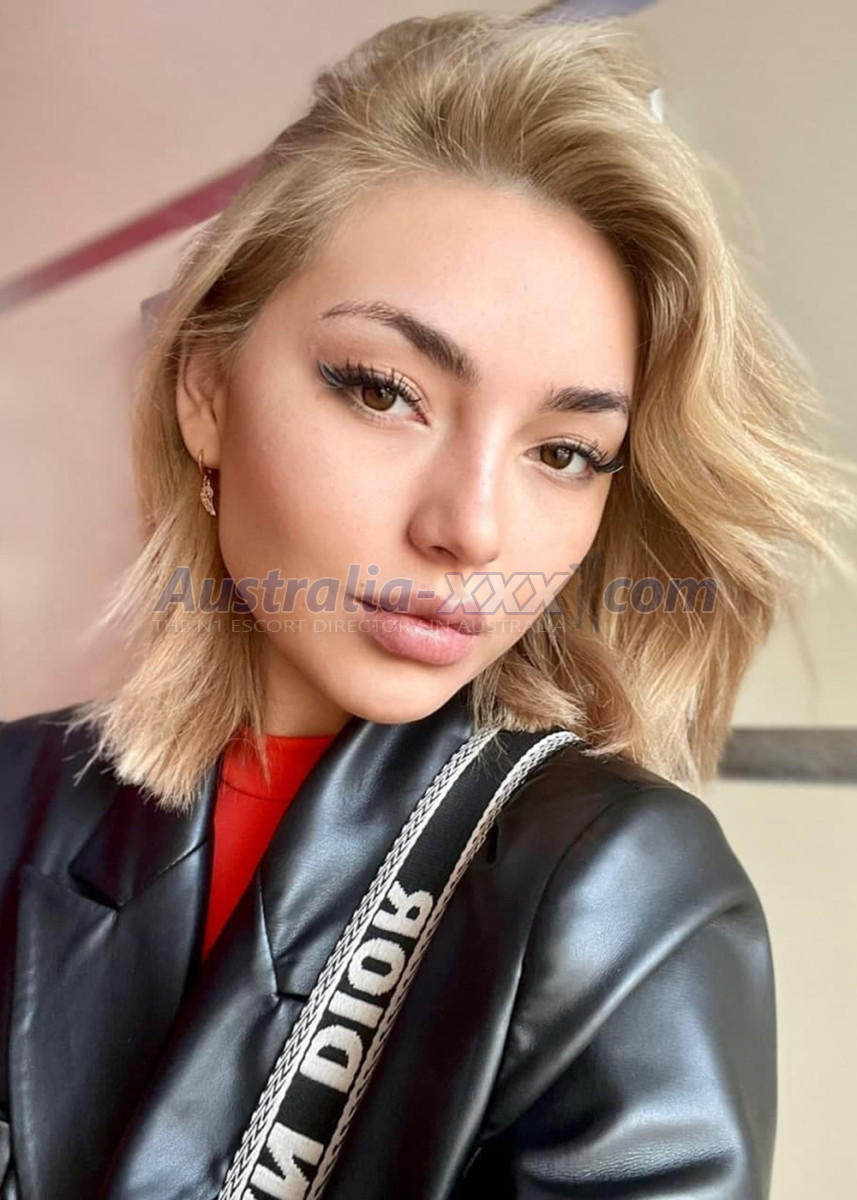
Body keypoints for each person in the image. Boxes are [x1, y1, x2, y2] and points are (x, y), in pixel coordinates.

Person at [1, 10, 853, 1199]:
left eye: (564, 452)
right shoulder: (16, 797)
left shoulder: (616, 892)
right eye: (382, 391)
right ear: (205, 391)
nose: (471, 528)